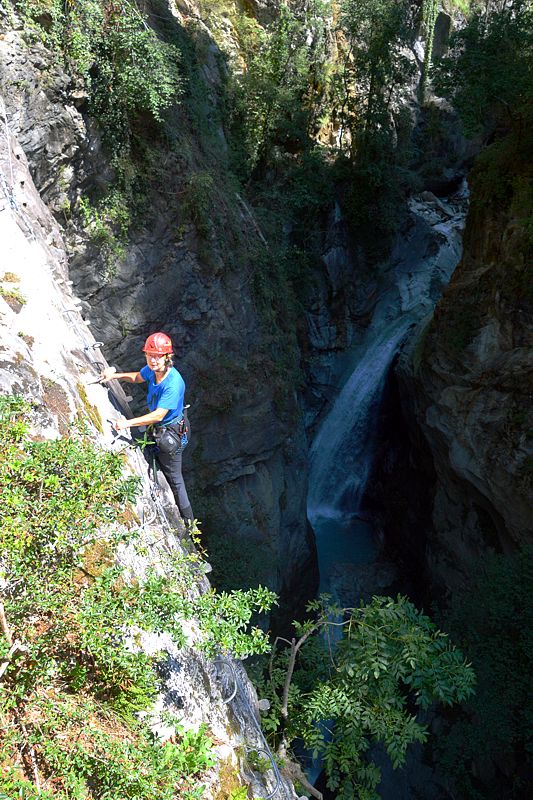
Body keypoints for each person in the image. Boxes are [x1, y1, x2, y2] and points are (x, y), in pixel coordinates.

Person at [100, 331, 194, 525]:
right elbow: (136, 377)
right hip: (160, 427)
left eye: (158, 356)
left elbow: (159, 415)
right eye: (150, 355)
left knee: (175, 478)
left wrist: (127, 423)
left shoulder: (173, 383)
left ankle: (190, 524)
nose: (153, 360)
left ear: (167, 357)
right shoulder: (153, 370)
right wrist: (114, 376)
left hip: (171, 432)